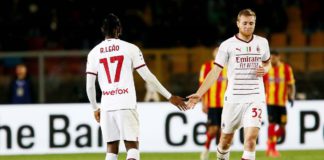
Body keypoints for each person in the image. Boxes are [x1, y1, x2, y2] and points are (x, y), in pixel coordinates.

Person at [85, 13, 187, 160]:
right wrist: (169, 96)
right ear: (119, 29)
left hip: (107, 105)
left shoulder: (93, 53)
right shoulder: (130, 48)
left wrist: (95, 108)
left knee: (111, 150)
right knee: (132, 148)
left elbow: (89, 86)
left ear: (102, 29)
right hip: (125, 103)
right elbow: (147, 77)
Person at [187, 9, 271, 160]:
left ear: (255, 24)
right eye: (244, 23)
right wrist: (199, 94)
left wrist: (265, 69)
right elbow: (215, 72)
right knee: (225, 141)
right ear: (238, 24)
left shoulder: (262, 42)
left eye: (251, 23)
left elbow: (267, 62)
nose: (248, 26)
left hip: (255, 97)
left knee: (251, 140)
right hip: (233, 99)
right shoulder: (227, 45)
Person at [263, 50, 295, 157]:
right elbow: (262, 84)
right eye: (270, 58)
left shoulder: (286, 68)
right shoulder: (266, 69)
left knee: (282, 127)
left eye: (274, 57)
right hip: (270, 102)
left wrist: (291, 96)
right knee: (272, 124)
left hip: (282, 102)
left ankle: (270, 143)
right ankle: (272, 149)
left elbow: (291, 84)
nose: (272, 59)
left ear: (279, 57)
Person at [199, 47, 227, 160]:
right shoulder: (206, 67)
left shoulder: (228, 67)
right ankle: (206, 149)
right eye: (217, 52)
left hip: (226, 104)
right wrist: (203, 102)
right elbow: (202, 85)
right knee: (213, 129)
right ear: (213, 53)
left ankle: (221, 154)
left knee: (224, 131)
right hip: (212, 104)